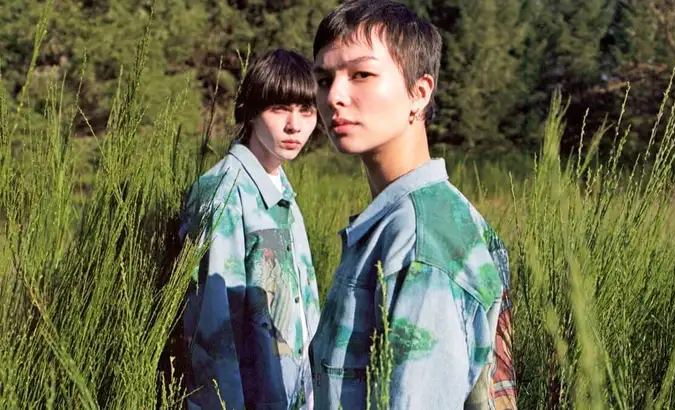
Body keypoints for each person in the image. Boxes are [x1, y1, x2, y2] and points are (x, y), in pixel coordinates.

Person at [307, 1, 517, 409]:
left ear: (419, 93)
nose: (334, 96)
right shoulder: (400, 221)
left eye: (361, 74)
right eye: (323, 79)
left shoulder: (420, 238)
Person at [179, 48, 321, 410]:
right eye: (280, 109)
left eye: (306, 110)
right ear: (253, 111)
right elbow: (213, 333)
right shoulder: (225, 193)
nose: (295, 125)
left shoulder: (282, 191)